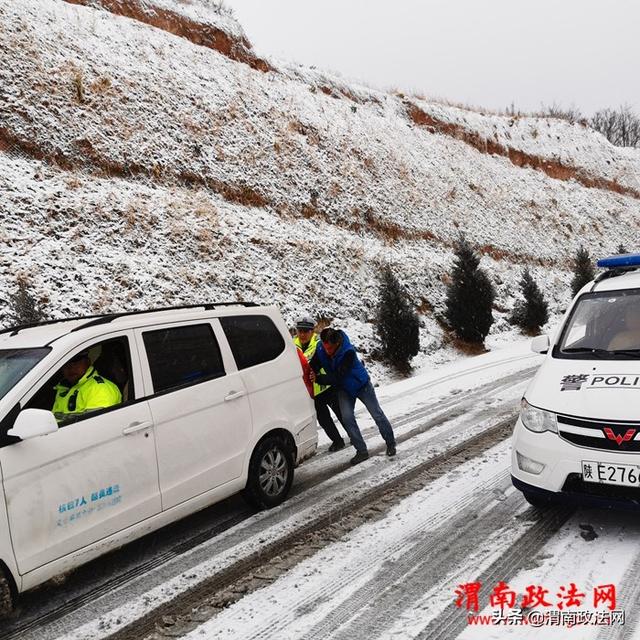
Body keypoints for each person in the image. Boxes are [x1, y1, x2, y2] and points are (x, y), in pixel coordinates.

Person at [310, 327, 396, 465]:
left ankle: (390, 443)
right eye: (325, 347)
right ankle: (361, 451)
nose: (327, 351)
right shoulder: (321, 348)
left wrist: (318, 378)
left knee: (377, 414)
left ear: (337, 343)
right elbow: (314, 364)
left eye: (330, 348)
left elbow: (336, 377)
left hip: (362, 386)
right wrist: (312, 372)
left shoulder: (347, 352)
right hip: (344, 389)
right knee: (347, 418)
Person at [294, 316, 346, 452]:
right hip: (311, 392)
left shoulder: (320, 343)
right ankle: (337, 441)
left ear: (312, 331)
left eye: (306, 331)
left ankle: (354, 435)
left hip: (326, 386)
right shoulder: (292, 346)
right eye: (300, 331)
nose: (302, 334)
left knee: (341, 414)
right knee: (324, 420)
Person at [52, 350, 122, 422]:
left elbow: (95, 425)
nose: (70, 368)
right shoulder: (63, 388)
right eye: (65, 364)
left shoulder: (99, 388)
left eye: (76, 362)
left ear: (88, 362)